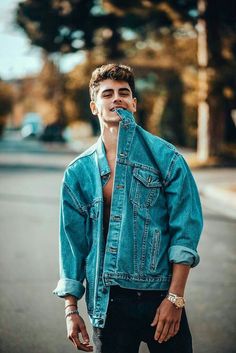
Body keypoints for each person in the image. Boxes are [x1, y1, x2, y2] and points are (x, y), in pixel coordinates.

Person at [53, 63, 203, 353]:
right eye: (107, 94)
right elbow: (72, 244)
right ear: (94, 107)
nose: (116, 98)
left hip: (161, 296)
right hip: (108, 302)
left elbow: (185, 230)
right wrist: (71, 310)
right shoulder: (78, 172)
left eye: (124, 93)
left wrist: (175, 298)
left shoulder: (167, 157)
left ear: (134, 103)